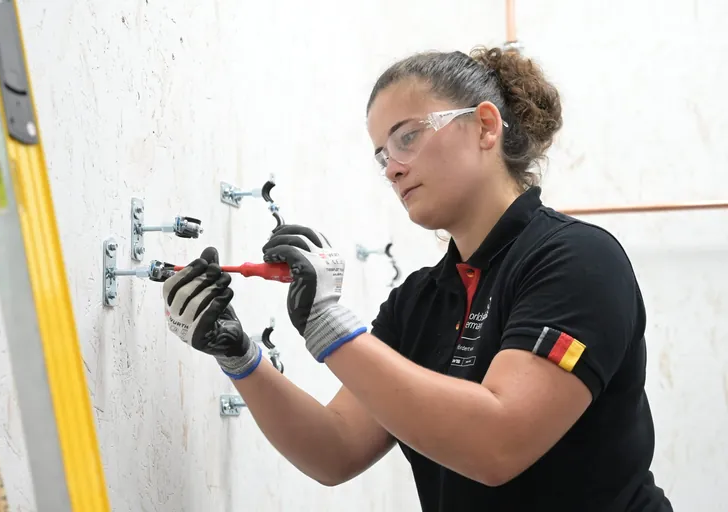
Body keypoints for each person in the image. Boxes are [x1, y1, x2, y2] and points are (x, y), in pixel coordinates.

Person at [162, 46, 673, 511]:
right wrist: (240, 356)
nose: (392, 169)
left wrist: (326, 324)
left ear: (485, 127)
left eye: (407, 137)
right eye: (383, 155)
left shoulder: (578, 260)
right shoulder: (418, 301)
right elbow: (336, 448)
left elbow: (498, 443)